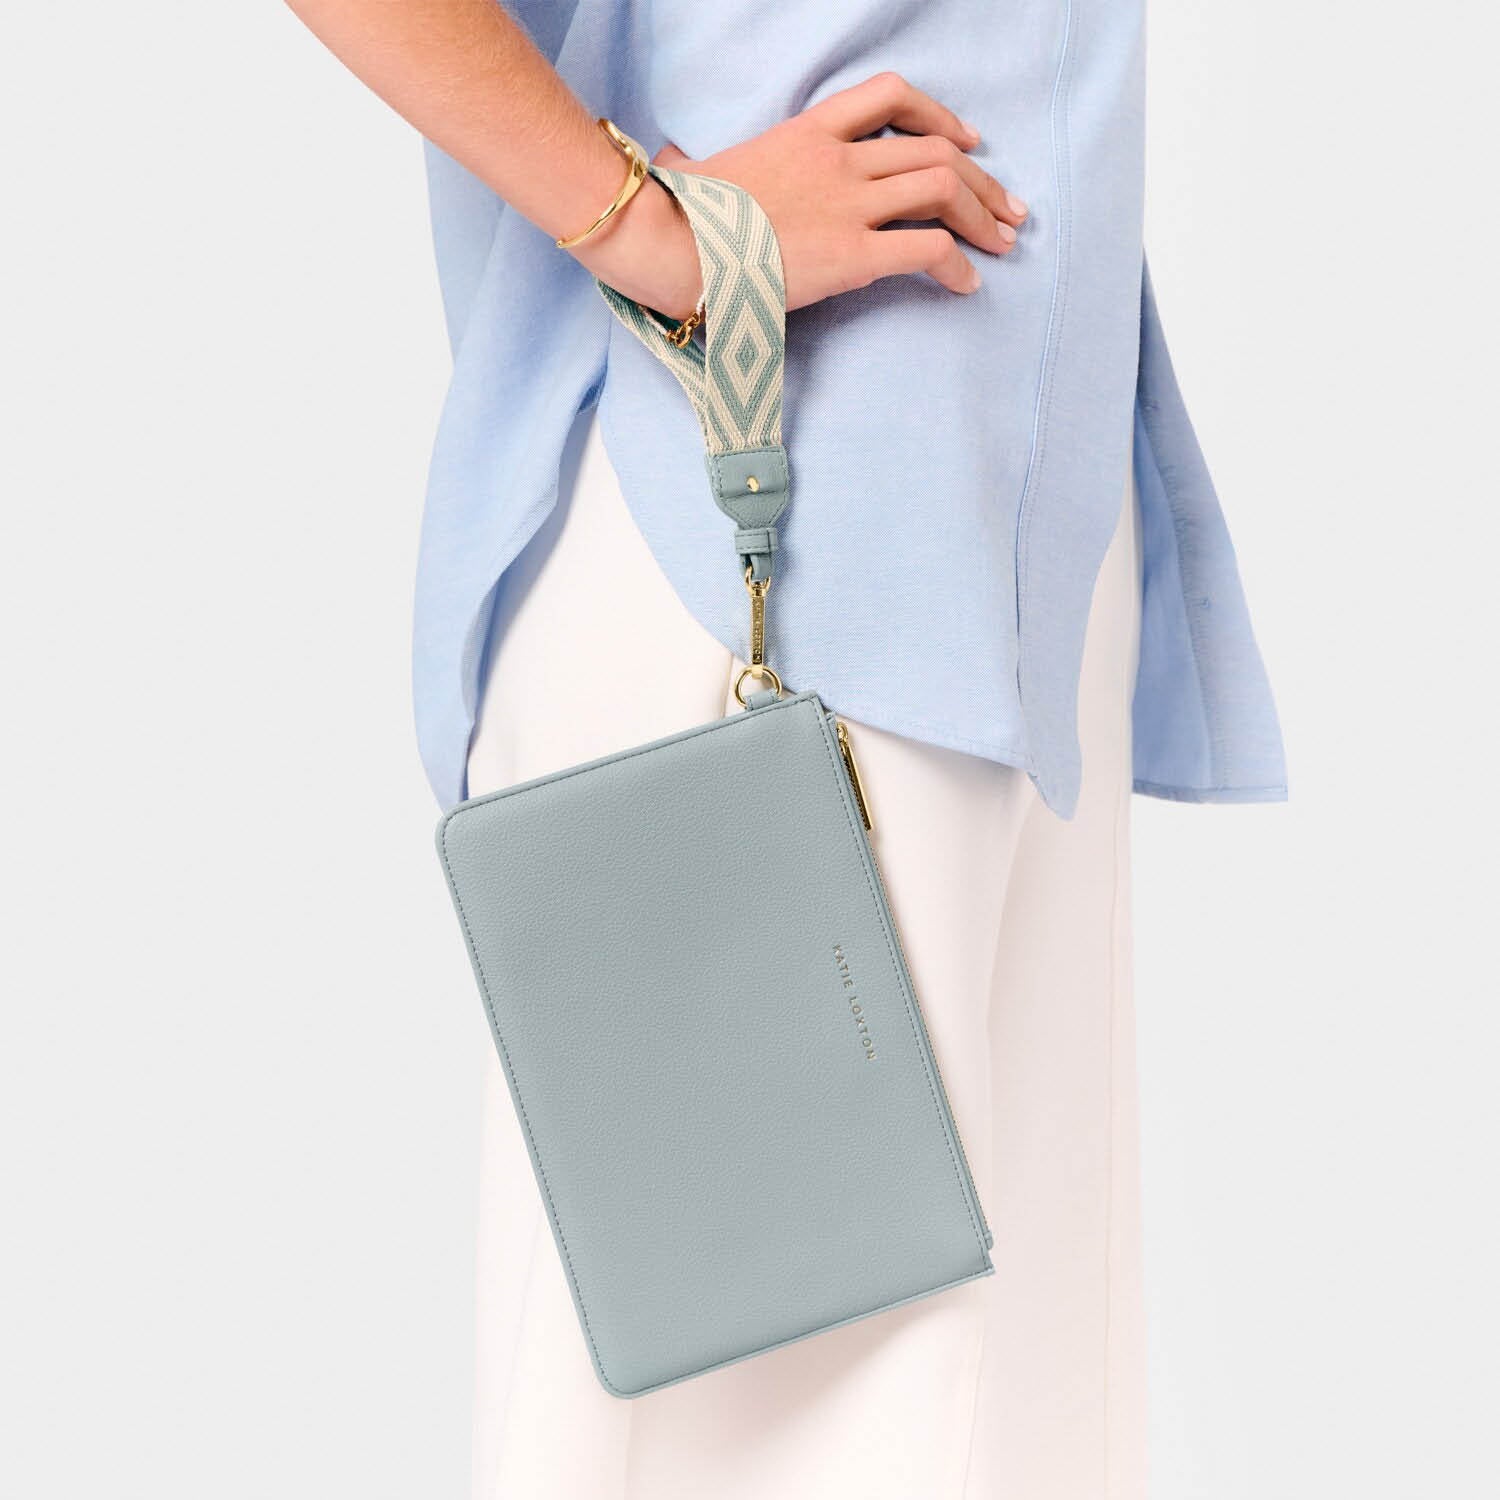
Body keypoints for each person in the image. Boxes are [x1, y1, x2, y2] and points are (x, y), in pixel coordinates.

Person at [286, 2, 1287, 1495]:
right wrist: (645, 223)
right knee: (779, 1422)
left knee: (993, 1420)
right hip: (773, 521)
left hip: (1007, 527)